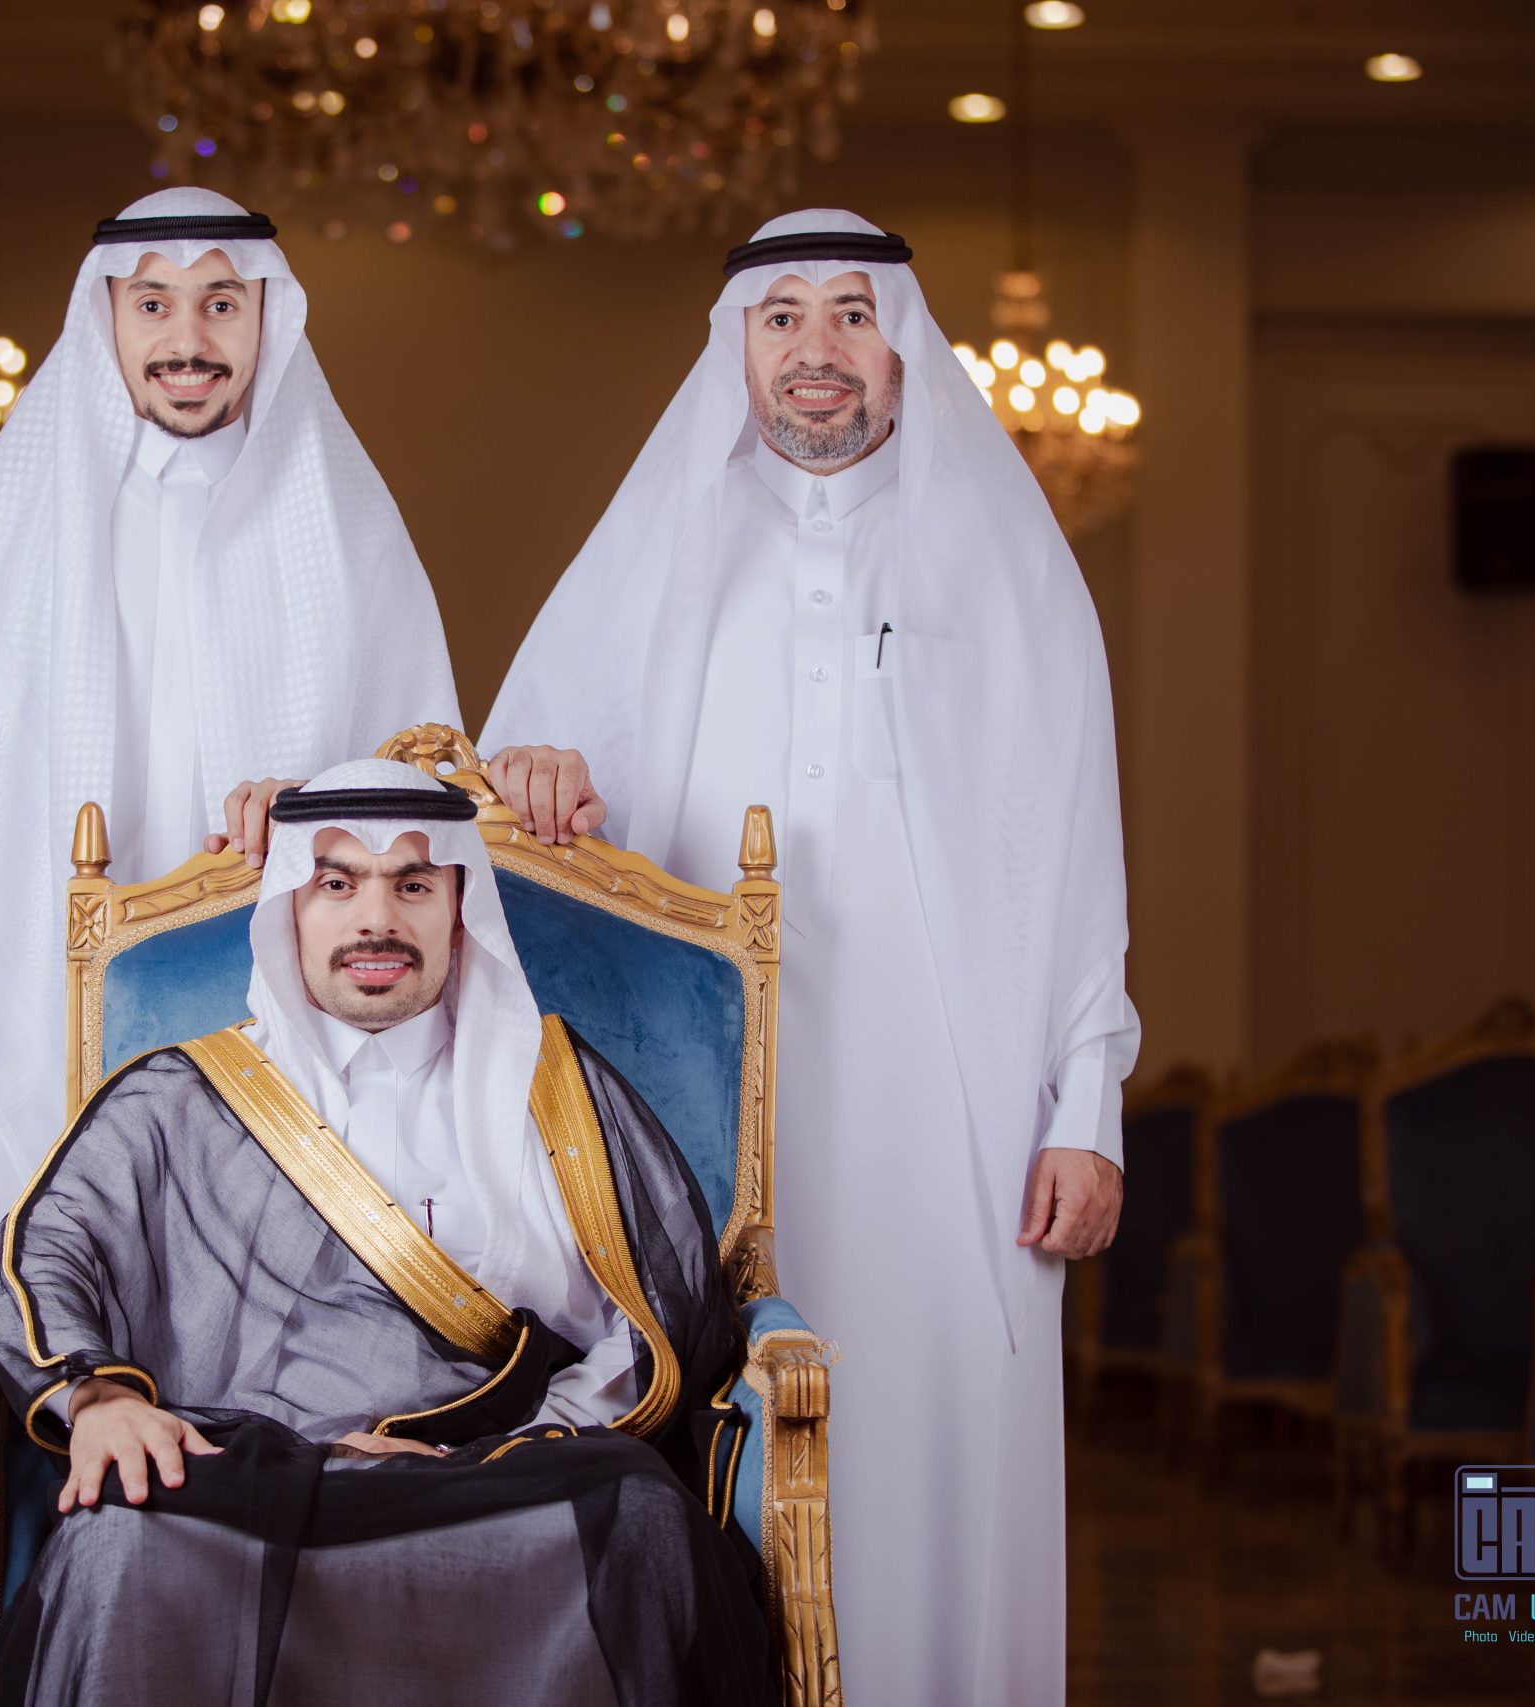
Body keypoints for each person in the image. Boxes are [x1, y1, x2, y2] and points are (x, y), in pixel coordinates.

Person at [482, 210, 1141, 1706]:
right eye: (781, 318)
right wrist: (531, 777)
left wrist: (1086, 1106)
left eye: (852, 313)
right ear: (738, 352)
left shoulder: (1011, 567)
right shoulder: (653, 553)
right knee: (717, 1417)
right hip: (706, 1104)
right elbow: (519, 804)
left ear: (903, 345)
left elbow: (1077, 852)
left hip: (959, 1103)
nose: (817, 349)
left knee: (940, 1424)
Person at [0, 192, 460, 1704]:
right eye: (155, 302)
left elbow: (427, 805)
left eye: (223, 302)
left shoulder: (345, 522)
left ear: (268, 321)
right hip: (15, 1058)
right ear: (103, 316)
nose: (189, 336)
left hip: (268, 1097)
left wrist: (319, 802)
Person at [0, 759, 771, 1707]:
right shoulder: (181, 1097)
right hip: (243, 1471)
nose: (376, 920)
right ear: (291, 908)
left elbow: (657, 1322)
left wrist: (518, 1442)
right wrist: (99, 1396)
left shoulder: (555, 1092)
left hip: (495, 1474)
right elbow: (41, 1252)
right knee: (120, 1537)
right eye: (337, 884)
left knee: (640, 1517)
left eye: (413, 884)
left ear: (459, 910)